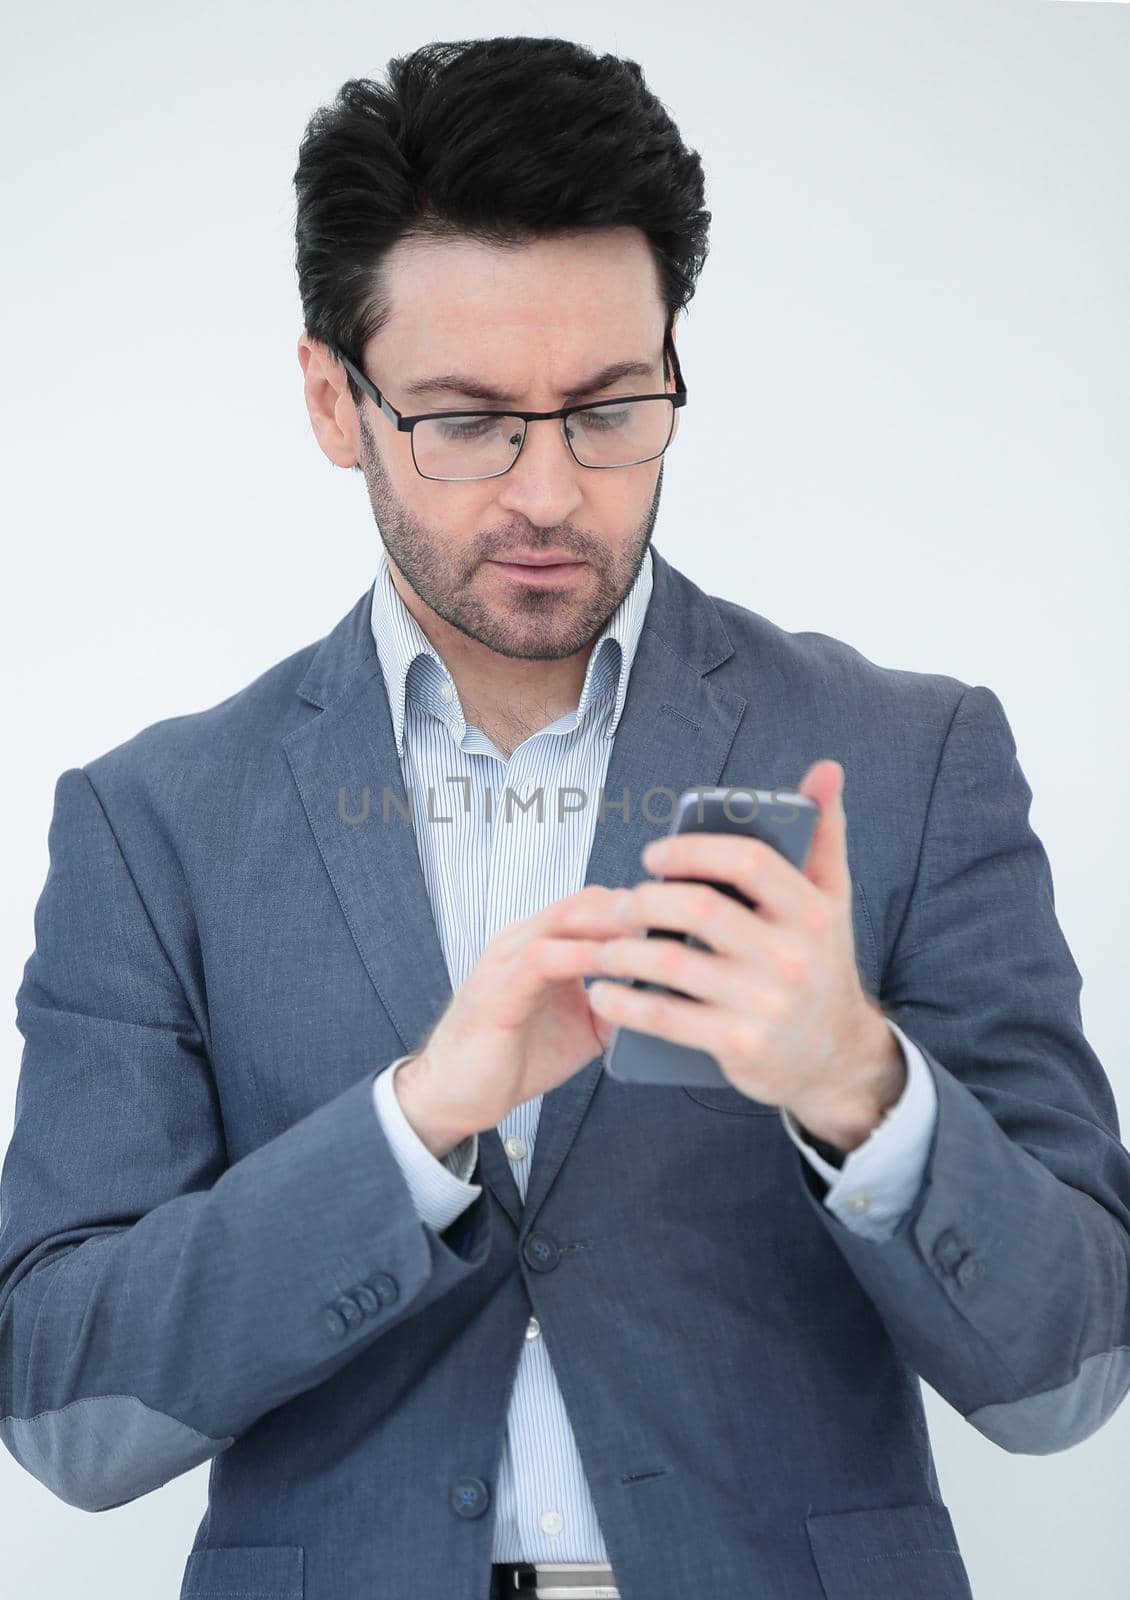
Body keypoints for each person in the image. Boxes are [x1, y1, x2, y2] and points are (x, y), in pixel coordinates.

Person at [2, 34, 1128, 1600]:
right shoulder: (154, 820)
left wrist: (858, 1087)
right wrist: (411, 1127)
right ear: (335, 399)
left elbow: (1065, 1374)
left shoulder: (908, 754)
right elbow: (68, 1413)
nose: (547, 492)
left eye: (609, 408)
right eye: (465, 420)